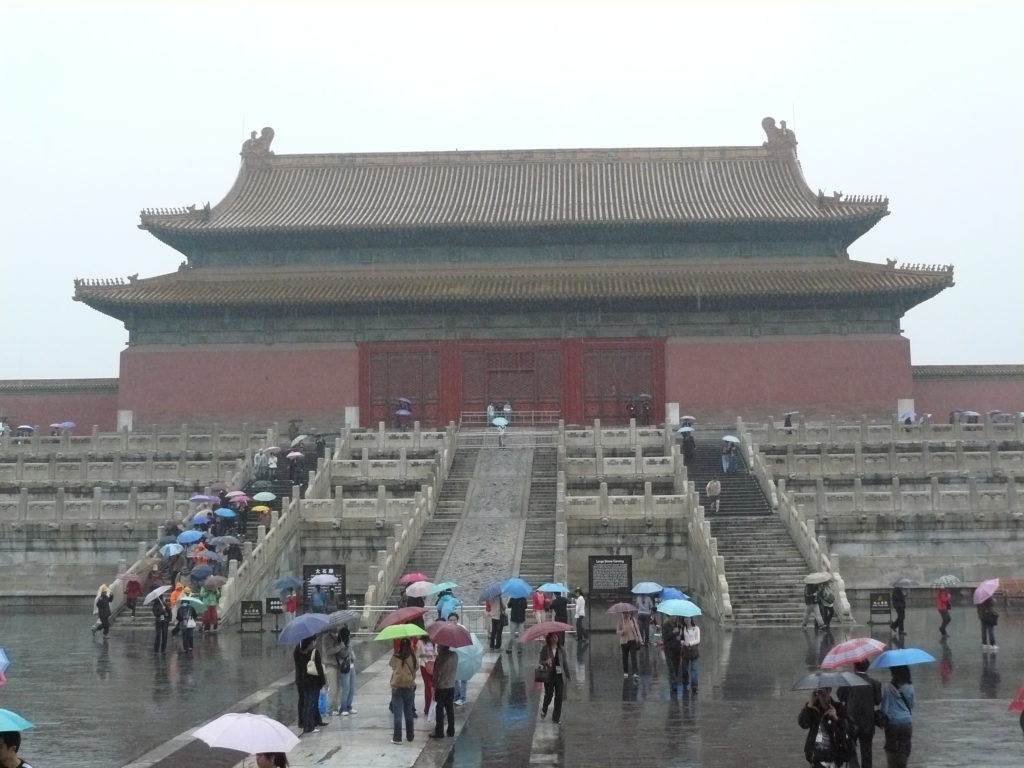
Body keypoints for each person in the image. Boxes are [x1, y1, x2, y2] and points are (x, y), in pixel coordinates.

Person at [838, 659, 882, 768]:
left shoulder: (847, 682)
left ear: (854, 666)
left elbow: (840, 696)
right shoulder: (875, 683)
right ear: (867, 667)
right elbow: (878, 701)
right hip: (868, 724)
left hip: (851, 724)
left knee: (851, 751)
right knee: (867, 754)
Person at [798, 687, 850, 768]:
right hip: (816, 755)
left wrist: (836, 718)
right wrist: (810, 705)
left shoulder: (838, 707)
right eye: (820, 693)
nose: (823, 697)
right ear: (816, 694)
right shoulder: (812, 708)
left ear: (830, 692)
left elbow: (848, 729)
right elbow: (803, 724)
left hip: (834, 755)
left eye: (825, 693)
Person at [879, 665, 914, 768]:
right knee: (904, 748)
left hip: (892, 723)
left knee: (891, 748)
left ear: (894, 673)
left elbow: (884, 707)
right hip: (906, 722)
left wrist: (882, 719)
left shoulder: (888, 687)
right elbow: (911, 705)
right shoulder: (910, 687)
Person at [294, 635, 326, 735]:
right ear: (311, 642)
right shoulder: (314, 652)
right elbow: (319, 669)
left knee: (306, 703)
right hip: (313, 682)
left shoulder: (298, 650)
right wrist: (323, 682)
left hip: (303, 680)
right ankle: (310, 726)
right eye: (314, 640)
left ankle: (306, 723)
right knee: (312, 703)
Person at [322, 626, 357, 716]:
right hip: (331, 665)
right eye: (335, 626)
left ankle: (335, 708)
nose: (337, 627)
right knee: (333, 688)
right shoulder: (326, 638)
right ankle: (330, 709)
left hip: (339, 665)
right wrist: (340, 646)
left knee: (338, 688)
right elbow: (329, 651)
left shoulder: (337, 637)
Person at [389, 638, 418, 744]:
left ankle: (397, 737)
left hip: (397, 687)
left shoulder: (396, 656)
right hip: (409, 687)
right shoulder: (413, 657)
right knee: (408, 712)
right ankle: (410, 736)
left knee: (398, 714)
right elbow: (416, 668)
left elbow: (391, 665)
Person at [538, 632, 571, 724]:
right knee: (549, 695)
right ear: (549, 638)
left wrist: (568, 675)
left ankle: (556, 718)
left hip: (559, 675)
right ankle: (544, 709)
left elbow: (564, 663)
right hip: (549, 675)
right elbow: (540, 661)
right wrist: (546, 662)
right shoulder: (545, 649)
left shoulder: (561, 649)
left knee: (559, 696)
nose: (554, 639)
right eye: (552, 637)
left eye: (556, 637)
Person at [430, 644, 458, 738]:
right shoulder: (455, 655)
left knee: (439, 709)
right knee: (450, 709)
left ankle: (439, 732)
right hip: (451, 686)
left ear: (441, 647)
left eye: (438, 647)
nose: (437, 648)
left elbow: (436, 673)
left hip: (442, 687)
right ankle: (451, 730)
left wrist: (433, 685)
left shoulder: (440, 658)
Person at [617, 610, 641, 681]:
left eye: (627, 613)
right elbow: (617, 631)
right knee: (625, 657)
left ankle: (635, 672)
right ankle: (625, 672)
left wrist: (640, 639)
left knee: (633, 657)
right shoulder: (620, 621)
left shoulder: (633, 620)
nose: (626, 614)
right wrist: (622, 632)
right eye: (624, 613)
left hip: (633, 640)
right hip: (624, 642)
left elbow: (637, 630)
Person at [416, 635, 437, 718]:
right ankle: (427, 708)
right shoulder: (420, 642)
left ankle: (433, 707)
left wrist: (434, 655)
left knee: (434, 686)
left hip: (434, 665)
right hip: (424, 665)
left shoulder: (434, 641)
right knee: (428, 686)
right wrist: (425, 656)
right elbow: (417, 654)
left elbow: (436, 653)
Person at [661, 615, 682, 690]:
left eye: (675, 616)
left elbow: (681, 636)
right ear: (669, 617)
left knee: (676, 667)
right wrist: (673, 632)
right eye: (673, 616)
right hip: (669, 649)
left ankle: (673, 682)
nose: (674, 618)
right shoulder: (665, 626)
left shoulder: (678, 625)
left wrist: (680, 637)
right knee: (671, 668)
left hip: (677, 649)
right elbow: (664, 637)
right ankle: (674, 685)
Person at [680, 617, 700, 693]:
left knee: (694, 669)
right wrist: (682, 642)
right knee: (685, 669)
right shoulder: (683, 628)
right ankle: (685, 683)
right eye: (685, 619)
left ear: (691, 619)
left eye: (688, 618)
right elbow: (682, 639)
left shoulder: (696, 628)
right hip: (685, 651)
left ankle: (694, 686)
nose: (686, 620)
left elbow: (698, 640)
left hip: (694, 651)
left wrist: (690, 643)